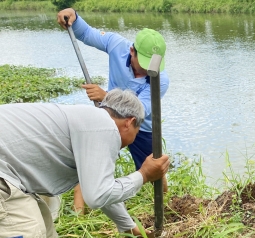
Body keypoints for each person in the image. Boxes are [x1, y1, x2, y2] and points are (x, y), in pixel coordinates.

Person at [0, 90, 170, 238]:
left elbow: (99, 188)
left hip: (12, 175)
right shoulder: (104, 126)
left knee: (43, 234)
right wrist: (144, 175)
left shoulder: (88, 122)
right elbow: (98, 196)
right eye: (137, 132)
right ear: (130, 122)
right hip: (5, 179)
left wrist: (131, 229)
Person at [56, 8, 170, 214]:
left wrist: (105, 96)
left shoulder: (160, 79)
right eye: (142, 64)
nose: (146, 70)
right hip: (106, 119)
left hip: (140, 127)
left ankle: (167, 207)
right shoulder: (117, 45)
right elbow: (86, 33)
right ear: (132, 51)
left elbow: (140, 110)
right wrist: (73, 15)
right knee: (88, 160)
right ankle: (78, 213)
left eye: (151, 65)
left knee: (155, 167)